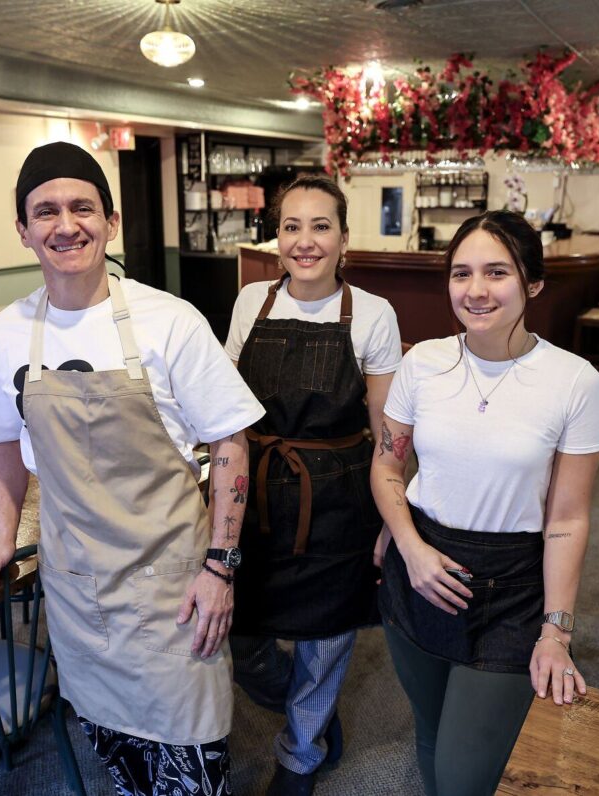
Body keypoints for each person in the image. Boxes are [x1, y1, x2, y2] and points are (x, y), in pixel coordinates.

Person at [0, 141, 264, 795]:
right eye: (46, 211)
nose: (65, 225)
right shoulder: (6, 335)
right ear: (22, 230)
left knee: (192, 769)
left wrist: (221, 566)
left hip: (173, 589)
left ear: (111, 221)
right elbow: (0, 443)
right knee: (119, 759)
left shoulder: (171, 322)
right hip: (77, 591)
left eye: (82, 207)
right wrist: (4, 535)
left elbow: (233, 445)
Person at [371, 211, 599, 796]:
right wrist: (411, 547)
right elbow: (386, 465)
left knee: (464, 775)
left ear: (533, 283)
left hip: (511, 589)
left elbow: (568, 518)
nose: (475, 291)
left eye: (496, 272)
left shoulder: (573, 382)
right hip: (419, 571)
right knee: (429, 731)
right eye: (461, 273)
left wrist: (556, 632)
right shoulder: (422, 363)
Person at [224, 176, 402, 796]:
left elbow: (386, 429)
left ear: (344, 238)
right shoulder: (251, 300)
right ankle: (315, 715)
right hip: (259, 494)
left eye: (320, 226)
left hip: (337, 499)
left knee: (324, 642)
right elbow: (226, 407)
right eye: (291, 227)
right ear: (276, 238)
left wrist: (394, 517)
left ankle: (300, 755)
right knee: (241, 638)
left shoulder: (373, 313)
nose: (305, 242)